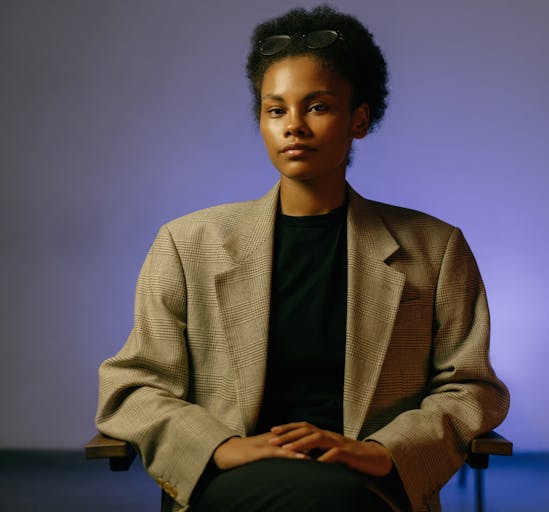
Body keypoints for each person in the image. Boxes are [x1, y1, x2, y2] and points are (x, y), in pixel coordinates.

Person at [96, 5, 509, 512]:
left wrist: (381, 451)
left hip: (367, 482)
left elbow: (472, 387)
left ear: (359, 118)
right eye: (276, 110)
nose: (293, 126)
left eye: (316, 106)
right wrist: (222, 447)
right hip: (232, 479)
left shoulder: (434, 248)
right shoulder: (188, 244)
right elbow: (133, 386)